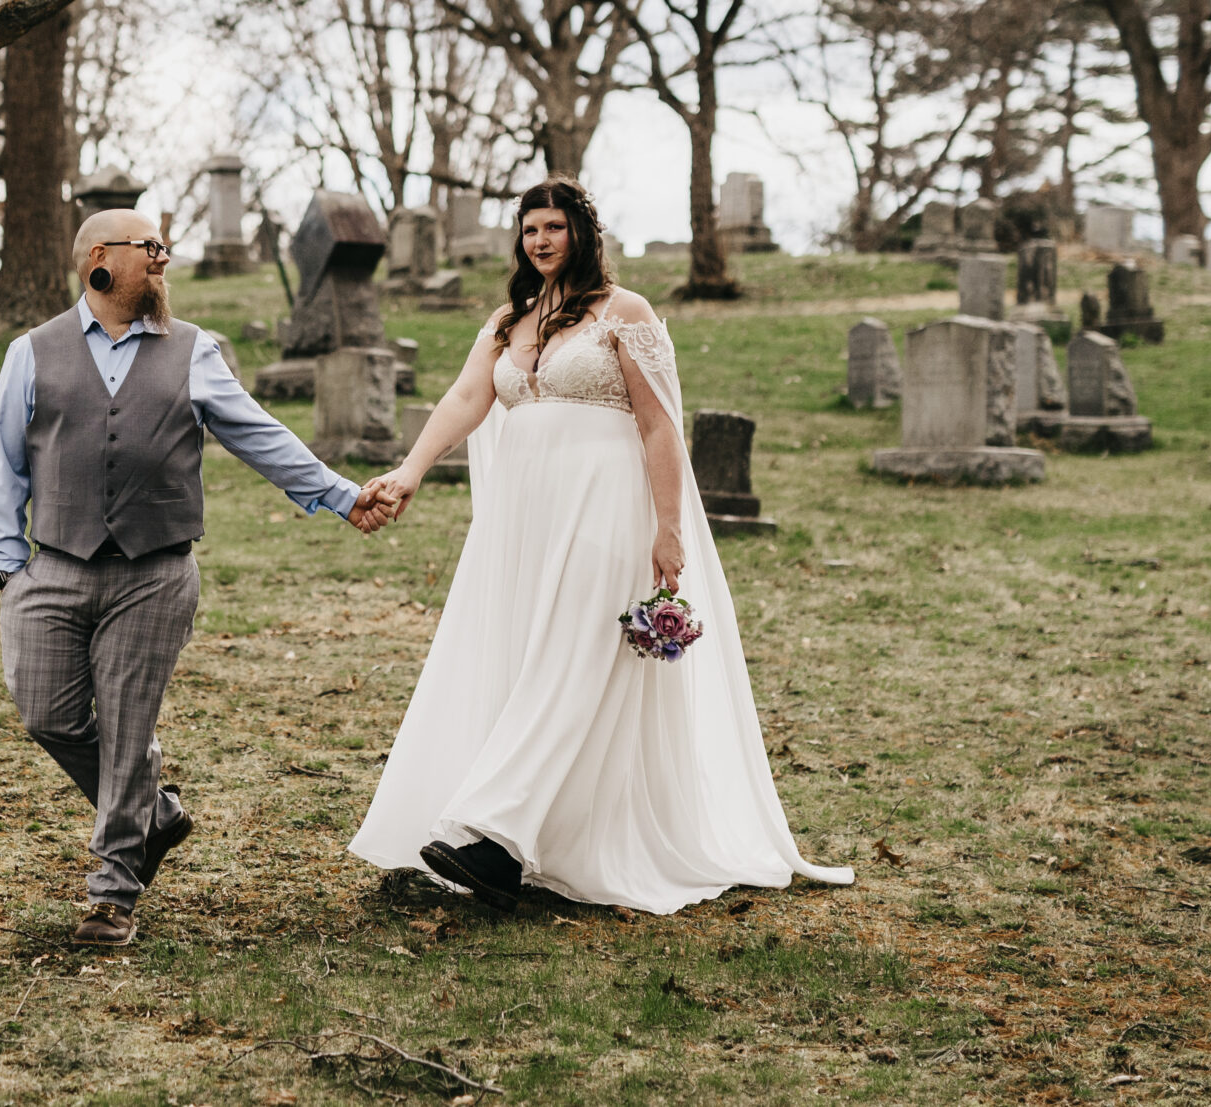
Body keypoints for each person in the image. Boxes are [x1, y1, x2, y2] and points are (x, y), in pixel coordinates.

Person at [347, 176, 852, 913]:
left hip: (607, 509)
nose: (541, 240)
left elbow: (659, 424)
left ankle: (493, 832)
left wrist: (669, 527)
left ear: (584, 233)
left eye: (554, 226)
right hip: (525, 522)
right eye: (529, 230)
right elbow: (464, 399)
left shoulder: (627, 313)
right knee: (529, 660)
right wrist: (410, 470)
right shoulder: (508, 321)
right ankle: (543, 834)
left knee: (576, 658)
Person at [0, 208, 393, 948]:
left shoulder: (194, 350)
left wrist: (340, 494)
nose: (164, 260)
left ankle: (112, 893)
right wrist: (9, 566)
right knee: (47, 712)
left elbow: (259, 434)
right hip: (54, 566)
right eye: (152, 248)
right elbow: (6, 461)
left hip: (156, 571)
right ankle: (158, 814)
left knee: (126, 723)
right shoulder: (31, 352)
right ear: (100, 260)